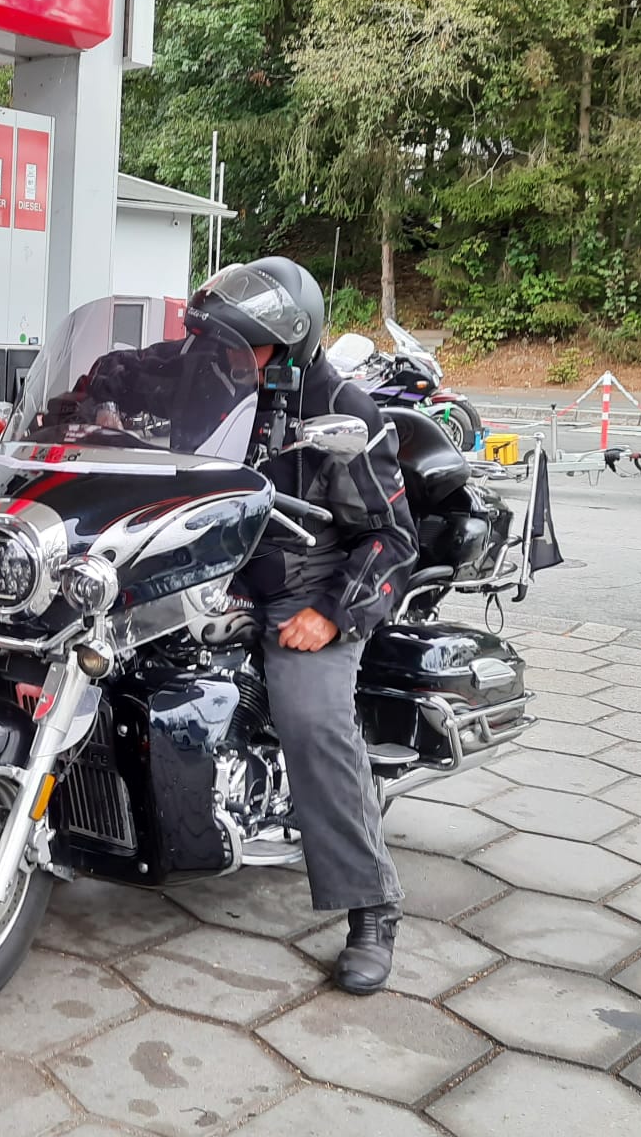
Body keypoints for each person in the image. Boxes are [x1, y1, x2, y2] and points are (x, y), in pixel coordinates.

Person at [61, 259, 417, 993]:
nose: (222, 355)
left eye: (242, 345)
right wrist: (76, 406)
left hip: (303, 584)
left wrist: (332, 614)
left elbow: (391, 538)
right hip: (201, 561)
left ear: (288, 348)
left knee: (311, 717)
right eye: (216, 338)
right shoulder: (205, 364)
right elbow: (121, 369)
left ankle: (371, 905)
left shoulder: (341, 410)